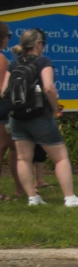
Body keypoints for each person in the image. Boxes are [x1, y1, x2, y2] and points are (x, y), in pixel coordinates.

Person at [1, 28, 78, 207]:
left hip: (17, 118)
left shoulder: (13, 64)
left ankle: (33, 198)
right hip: (39, 116)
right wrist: (55, 109)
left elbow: (3, 91)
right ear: (37, 44)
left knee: (23, 158)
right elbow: (49, 88)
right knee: (60, 157)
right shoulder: (43, 62)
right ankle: (70, 197)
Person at [0, 21, 28, 201]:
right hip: (2, 110)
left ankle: (20, 188)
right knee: (8, 147)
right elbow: (3, 89)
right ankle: (20, 189)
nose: (9, 39)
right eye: (8, 36)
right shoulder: (2, 60)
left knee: (11, 148)